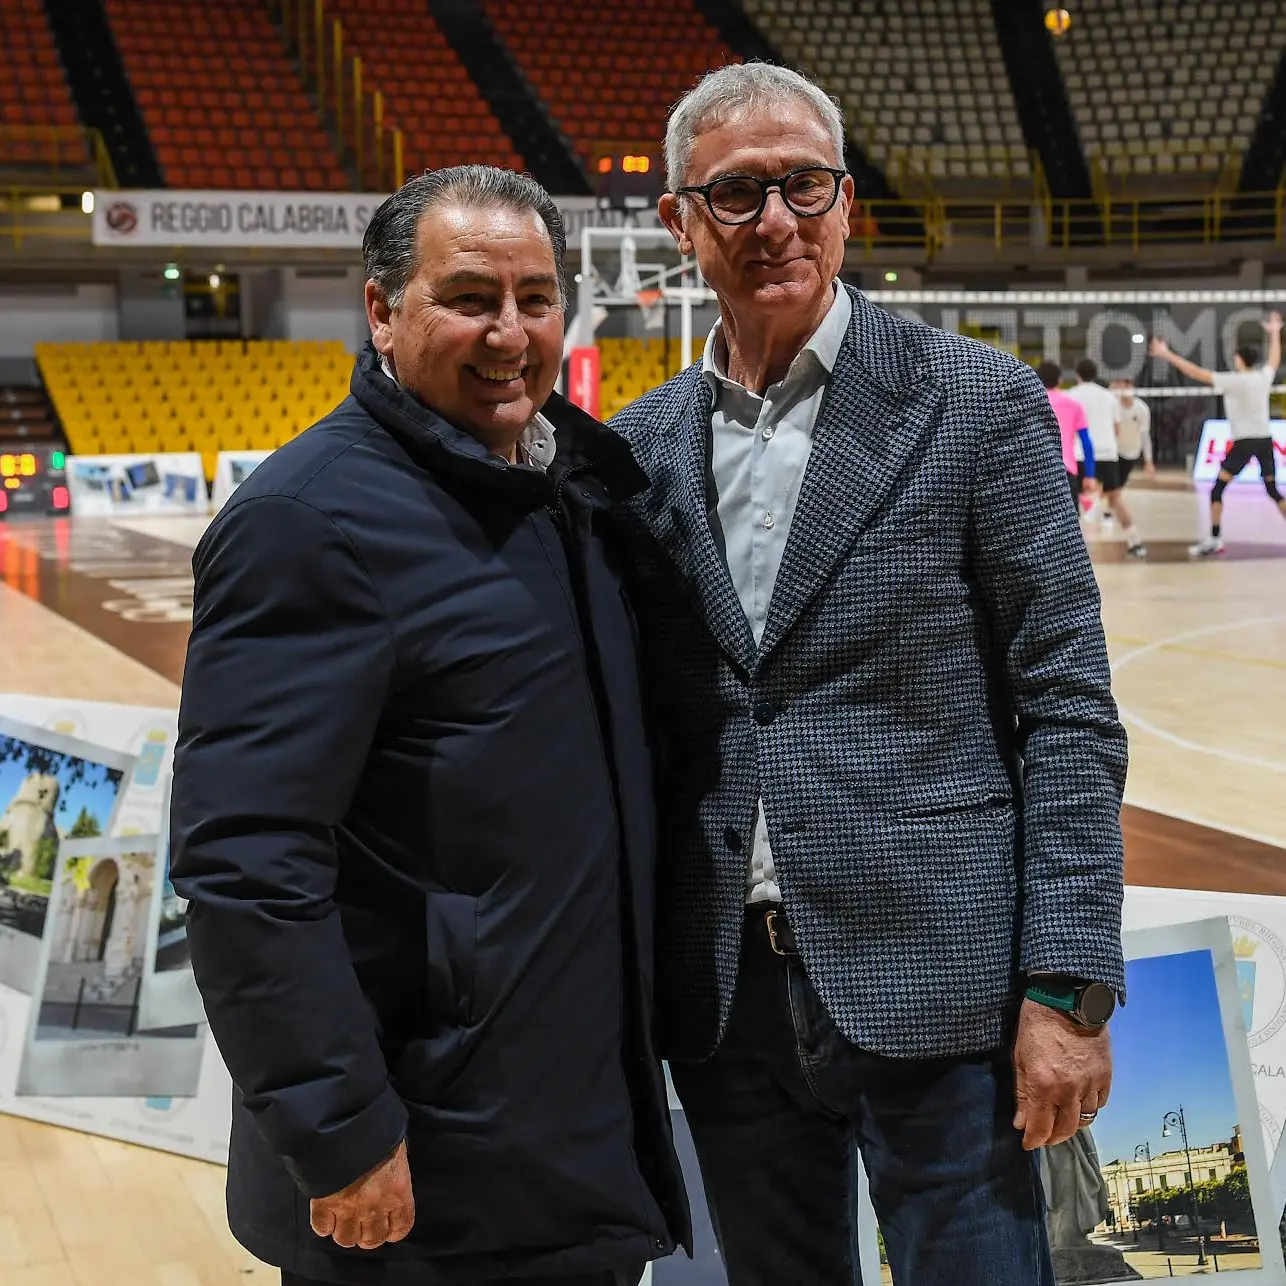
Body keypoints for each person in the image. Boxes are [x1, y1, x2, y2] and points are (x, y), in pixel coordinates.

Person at [611, 63, 1126, 1286]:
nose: (774, 220)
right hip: (729, 998)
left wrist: (1064, 985)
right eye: (735, 193)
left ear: (847, 207)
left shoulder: (978, 403)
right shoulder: (633, 450)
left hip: (947, 991)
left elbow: (1066, 707)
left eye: (802, 184)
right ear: (681, 223)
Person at [169, 166, 688, 1286]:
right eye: (468, 297)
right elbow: (245, 864)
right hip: (416, 1162)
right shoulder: (306, 524)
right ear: (380, 310)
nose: (510, 331)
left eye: (536, 297)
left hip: (563, 1138)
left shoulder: (575, 496)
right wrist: (339, 1130)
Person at [1150, 313, 1285, 557]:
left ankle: (1214, 539)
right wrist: (1275, 332)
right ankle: (1214, 538)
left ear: (1240, 360)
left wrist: (1166, 354)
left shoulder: (1234, 381)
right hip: (1264, 440)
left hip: (1244, 442)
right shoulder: (1262, 378)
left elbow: (1196, 373)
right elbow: (1274, 360)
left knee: (1217, 490)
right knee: (1273, 491)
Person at [1068, 358, 1147, 557]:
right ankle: (1135, 542)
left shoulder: (1071, 396)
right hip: (1108, 453)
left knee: (1070, 501)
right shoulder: (1109, 397)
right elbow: (1117, 428)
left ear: (1077, 375)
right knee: (1115, 498)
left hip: (1080, 454)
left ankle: (1070, 550)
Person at [1037, 359, 1097, 512]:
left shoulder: (1031, 403)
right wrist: (1089, 475)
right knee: (1070, 528)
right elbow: (1086, 443)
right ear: (1060, 381)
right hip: (1066, 470)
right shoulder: (1074, 405)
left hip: (1036, 471)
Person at [1110, 377, 1155, 489]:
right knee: (1110, 487)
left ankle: (1108, 504)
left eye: (1127, 386)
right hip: (1114, 452)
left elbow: (1145, 436)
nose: (1124, 389)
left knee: (1117, 489)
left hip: (1131, 453)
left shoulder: (1142, 409)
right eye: (1121, 386)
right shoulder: (1112, 406)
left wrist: (1148, 461)